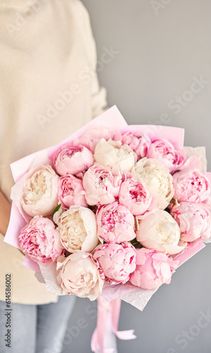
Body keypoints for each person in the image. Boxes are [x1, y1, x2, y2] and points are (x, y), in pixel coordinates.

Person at [0, 1, 107, 352]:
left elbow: (94, 108)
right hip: (6, 245)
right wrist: (17, 228)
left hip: (72, 242)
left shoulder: (70, 10)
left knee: (50, 348)